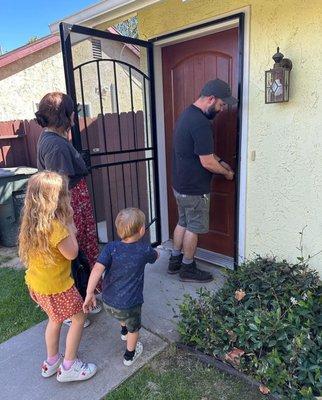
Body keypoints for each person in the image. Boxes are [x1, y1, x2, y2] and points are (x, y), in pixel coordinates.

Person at [18, 171, 97, 382]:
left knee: (54, 320)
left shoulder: (33, 223)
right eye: (66, 194)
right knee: (79, 318)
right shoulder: (57, 227)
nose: (69, 197)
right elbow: (72, 253)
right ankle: (69, 366)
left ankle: (51, 361)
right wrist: (70, 225)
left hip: (38, 285)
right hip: (58, 287)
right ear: (56, 200)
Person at [35, 92, 101, 324]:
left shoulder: (53, 137)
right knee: (76, 253)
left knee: (81, 250)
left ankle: (85, 296)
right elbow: (58, 189)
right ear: (64, 115)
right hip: (70, 206)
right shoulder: (56, 146)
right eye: (71, 111)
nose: (74, 115)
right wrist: (67, 219)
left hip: (75, 204)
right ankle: (78, 304)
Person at [168, 79, 237, 282]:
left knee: (183, 221)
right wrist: (226, 173)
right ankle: (187, 267)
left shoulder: (186, 115)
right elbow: (206, 161)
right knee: (193, 228)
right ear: (211, 99)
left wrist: (221, 161)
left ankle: (174, 260)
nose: (222, 109)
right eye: (221, 104)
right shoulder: (201, 123)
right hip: (195, 189)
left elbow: (205, 153)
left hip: (180, 186)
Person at [83, 208, 159, 366]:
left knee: (121, 315)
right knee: (134, 328)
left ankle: (123, 330)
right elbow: (154, 257)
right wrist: (156, 253)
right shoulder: (144, 250)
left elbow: (97, 269)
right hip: (130, 304)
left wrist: (90, 292)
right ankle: (130, 355)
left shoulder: (111, 248)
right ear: (141, 230)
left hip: (108, 301)